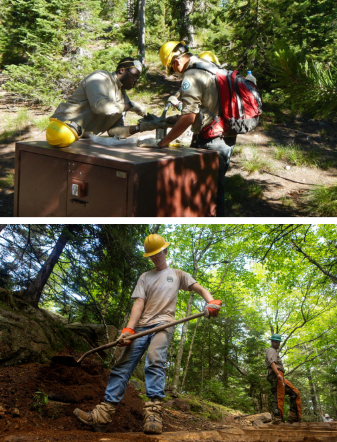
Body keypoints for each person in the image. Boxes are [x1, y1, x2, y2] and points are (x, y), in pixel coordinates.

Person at [73, 234, 222, 434]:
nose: (155, 257)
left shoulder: (178, 274)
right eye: (151, 255)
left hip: (165, 323)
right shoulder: (145, 276)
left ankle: (153, 414)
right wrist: (128, 329)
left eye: (158, 253)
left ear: (165, 251)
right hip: (142, 326)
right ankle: (102, 416)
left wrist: (211, 302)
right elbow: (139, 303)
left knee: (154, 358)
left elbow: (199, 288)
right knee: (122, 365)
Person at [157, 41, 237, 216]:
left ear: (175, 61)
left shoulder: (192, 75)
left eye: (172, 69)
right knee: (216, 190)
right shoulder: (211, 67)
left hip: (211, 140)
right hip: (227, 137)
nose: (176, 73)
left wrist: (164, 142)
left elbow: (188, 117)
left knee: (207, 196)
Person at [46, 58, 163, 147]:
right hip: (61, 130)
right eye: (134, 76)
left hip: (81, 140)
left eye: (138, 78)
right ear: (122, 70)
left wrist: (140, 127)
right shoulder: (100, 78)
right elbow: (100, 107)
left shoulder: (123, 97)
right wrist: (131, 106)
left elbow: (114, 131)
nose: (135, 81)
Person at [265, 334, 302, 423]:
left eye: (278, 342)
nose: (277, 343)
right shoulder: (271, 350)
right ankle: (277, 419)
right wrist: (278, 374)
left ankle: (293, 417)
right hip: (276, 375)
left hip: (278, 375)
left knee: (294, 392)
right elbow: (272, 363)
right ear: (272, 342)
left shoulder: (274, 351)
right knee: (278, 395)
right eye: (276, 342)